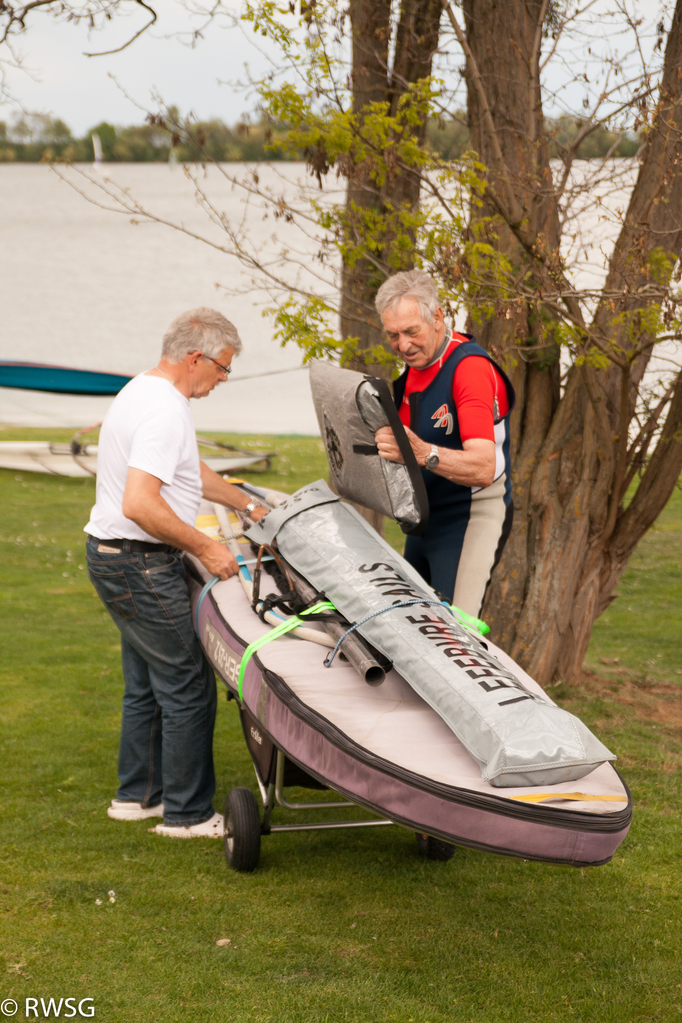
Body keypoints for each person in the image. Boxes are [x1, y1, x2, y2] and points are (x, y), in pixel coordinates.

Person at [84, 308, 268, 838]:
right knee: (188, 684)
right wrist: (206, 547)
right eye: (223, 369)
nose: (223, 380)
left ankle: (138, 796)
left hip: (113, 557)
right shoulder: (165, 410)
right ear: (196, 358)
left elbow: (186, 468)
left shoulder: (144, 391)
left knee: (146, 682)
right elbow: (142, 503)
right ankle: (186, 814)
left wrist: (245, 503)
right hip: (139, 563)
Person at [373, 271, 515, 616]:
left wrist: (423, 453)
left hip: (470, 516)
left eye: (411, 332)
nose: (403, 345)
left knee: (456, 633)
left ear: (437, 317)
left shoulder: (470, 370)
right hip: (425, 518)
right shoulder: (414, 368)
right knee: (411, 622)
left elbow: (484, 468)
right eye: (393, 335)